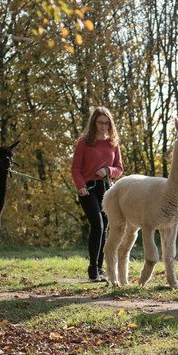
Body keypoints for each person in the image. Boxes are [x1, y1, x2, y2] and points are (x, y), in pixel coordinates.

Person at [72, 107, 123, 281]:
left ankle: (101, 268)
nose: (103, 126)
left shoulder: (113, 143)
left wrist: (107, 170)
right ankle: (93, 268)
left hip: (108, 190)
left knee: (106, 227)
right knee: (98, 224)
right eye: (100, 122)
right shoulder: (84, 142)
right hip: (88, 190)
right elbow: (75, 169)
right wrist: (80, 186)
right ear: (94, 123)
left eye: (106, 122)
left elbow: (119, 168)